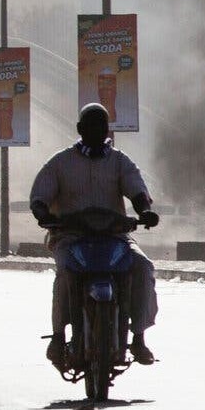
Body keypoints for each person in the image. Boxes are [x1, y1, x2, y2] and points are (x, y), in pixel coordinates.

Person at [32, 104, 160, 367]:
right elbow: (40, 195)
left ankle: (138, 336)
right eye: (90, 126)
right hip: (71, 236)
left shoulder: (120, 161)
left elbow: (137, 191)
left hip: (115, 237)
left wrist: (145, 211)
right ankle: (58, 336)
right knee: (65, 274)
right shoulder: (60, 162)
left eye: (101, 126)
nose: (96, 131)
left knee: (143, 267)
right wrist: (42, 213)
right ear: (79, 129)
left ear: (107, 129)